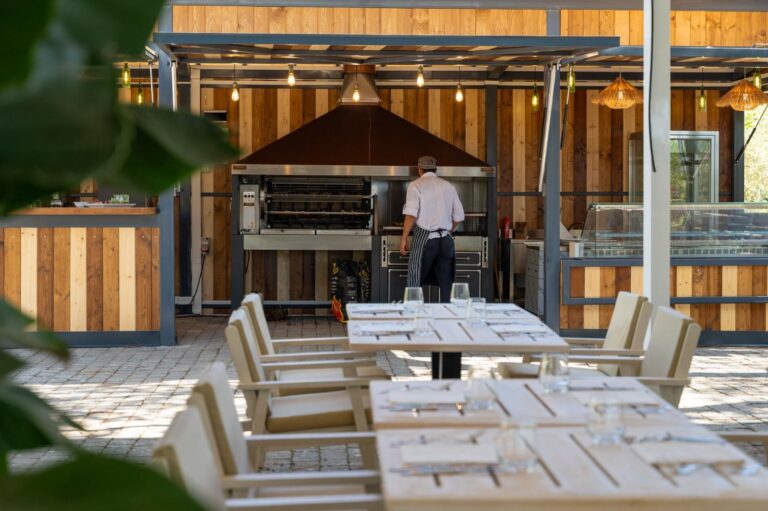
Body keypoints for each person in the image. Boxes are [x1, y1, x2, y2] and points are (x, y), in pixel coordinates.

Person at [400, 155, 465, 379]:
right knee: (446, 284)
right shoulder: (448, 186)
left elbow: (410, 214)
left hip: (425, 239)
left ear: (419, 169)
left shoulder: (416, 185)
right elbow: (459, 216)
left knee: (415, 279)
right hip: (445, 240)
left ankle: (414, 327)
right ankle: (447, 328)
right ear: (435, 168)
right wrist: (447, 229)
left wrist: (403, 238)